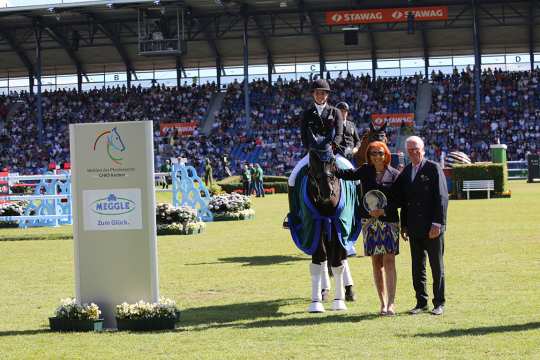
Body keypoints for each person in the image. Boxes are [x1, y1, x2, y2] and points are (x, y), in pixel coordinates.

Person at [335, 141, 400, 315]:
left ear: (386, 154)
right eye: (373, 153)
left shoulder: (394, 174)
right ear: (369, 156)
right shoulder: (365, 171)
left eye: (380, 153)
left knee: (389, 261)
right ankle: (383, 303)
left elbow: (400, 199)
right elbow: (345, 174)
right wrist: (328, 161)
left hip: (389, 221)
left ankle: (391, 304)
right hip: (370, 223)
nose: (377, 156)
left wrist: (383, 210)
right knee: (376, 263)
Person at [394, 135, 448, 316]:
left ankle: (439, 303)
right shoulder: (406, 171)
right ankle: (421, 302)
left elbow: (442, 198)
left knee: (436, 266)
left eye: (416, 149)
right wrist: (404, 225)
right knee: (417, 267)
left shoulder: (433, 168)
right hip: (414, 228)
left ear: (423, 149)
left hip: (432, 228)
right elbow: (403, 201)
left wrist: (438, 223)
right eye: (410, 150)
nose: (413, 152)